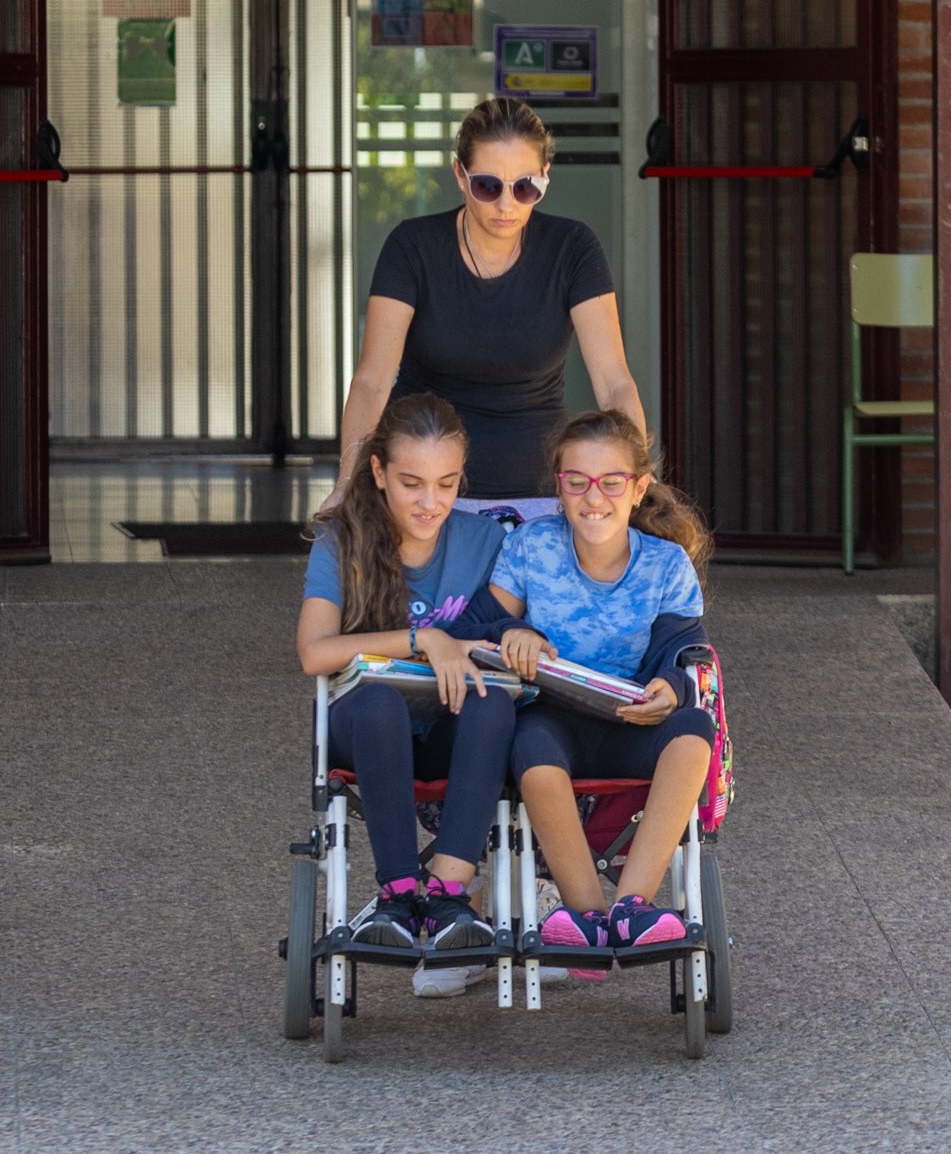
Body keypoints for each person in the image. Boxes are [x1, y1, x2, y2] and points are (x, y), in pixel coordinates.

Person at [294, 394, 520, 994]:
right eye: (411, 483)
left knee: (493, 701)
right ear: (378, 473)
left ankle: (447, 896)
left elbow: (513, 631)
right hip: (366, 729)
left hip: (449, 732)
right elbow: (314, 652)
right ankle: (397, 893)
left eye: (446, 484)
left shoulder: (485, 541)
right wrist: (425, 639)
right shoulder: (340, 541)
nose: (430, 503)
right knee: (376, 702)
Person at [484, 410, 718, 956]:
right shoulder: (529, 547)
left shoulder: (665, 564)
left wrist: (670, 689)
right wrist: (513, 632)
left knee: (693, 729)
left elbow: (682, 646)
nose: (595, 497)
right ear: (558, 489)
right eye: (577, 482)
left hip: (630, 718)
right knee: (530, 749)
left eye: (612, 482)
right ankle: (586, 916)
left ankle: (632, 907)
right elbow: (481, 623)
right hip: (552, 718)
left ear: (638, 489)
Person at [336, 94, 648, 502]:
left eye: (525, 187)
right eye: (487, 185)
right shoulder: (413, 246)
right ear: (460, 175)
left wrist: (637, 480)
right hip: (423, 491)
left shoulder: (572, 248)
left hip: (540, 491)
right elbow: (372, 382)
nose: (506, 204)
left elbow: (613, 383)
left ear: (545, 176)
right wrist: (347, 484)